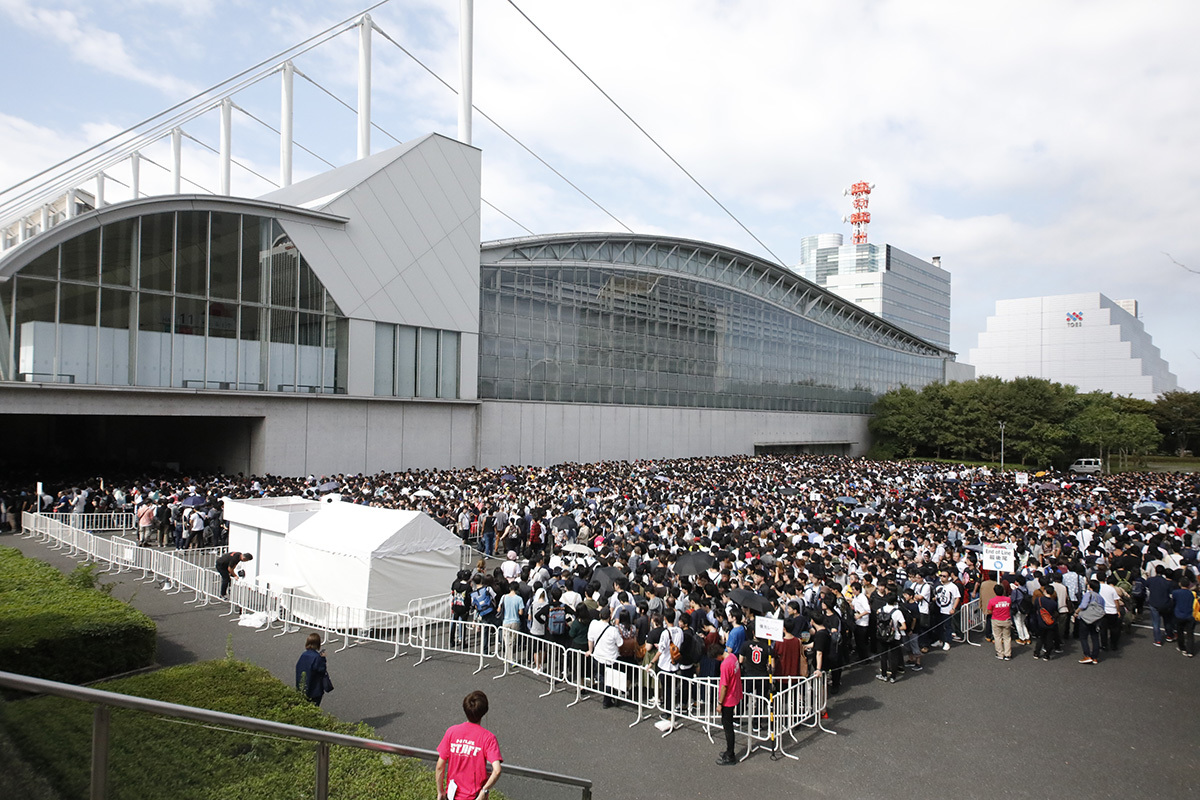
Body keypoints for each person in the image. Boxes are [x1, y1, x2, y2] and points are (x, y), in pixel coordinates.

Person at [436, 690, 502, 800]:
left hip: (452, 795)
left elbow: (439, 766)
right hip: (474, 796)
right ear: (484, 711)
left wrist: (440, 791)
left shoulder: (452, 732)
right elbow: (497, 770)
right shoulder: (489, 738)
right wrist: (484, 790)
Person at [716, 648, 743, 766]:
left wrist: (720, 703)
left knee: (728, 727)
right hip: (735, 693)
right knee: (728, 726)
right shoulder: (733, 657)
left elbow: (724, 686)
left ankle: (730, 754)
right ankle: (728, 751)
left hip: (728, 699)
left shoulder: (725, 665)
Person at [1074, 579, 1106, 664]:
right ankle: (1095, 657)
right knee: (1094, 637)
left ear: (1090, 587)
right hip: (1096, 619)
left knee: (1083, 637)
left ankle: (1087, 655)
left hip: (1086, 618)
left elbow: (1083, 605)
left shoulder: (1089, 594)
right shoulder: (1100, 597)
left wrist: (1076, 612)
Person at [295, 632, 329, 706]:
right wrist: (323, 658)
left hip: (303, 687)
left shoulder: (303, 655)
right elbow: (322, 670)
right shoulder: (318, 657)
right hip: (315, 690)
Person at [1170, 576, 1197, 657]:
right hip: (1189, 615)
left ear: (1180, 584)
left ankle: (1182, 647)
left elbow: (1173, 602)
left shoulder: (1176, 592)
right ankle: (1190, 651)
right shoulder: (1191, 594)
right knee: (1190, 634)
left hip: (1179, 615)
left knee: (1180, 632)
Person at [988, 583, 1013, 661]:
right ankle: (1007, 654)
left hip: (996, 620)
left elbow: (989, 611)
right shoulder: (1008, 599)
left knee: (997, 637)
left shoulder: (992, 601)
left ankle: (1000, 653)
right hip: (1006, 620)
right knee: (1007, 637)